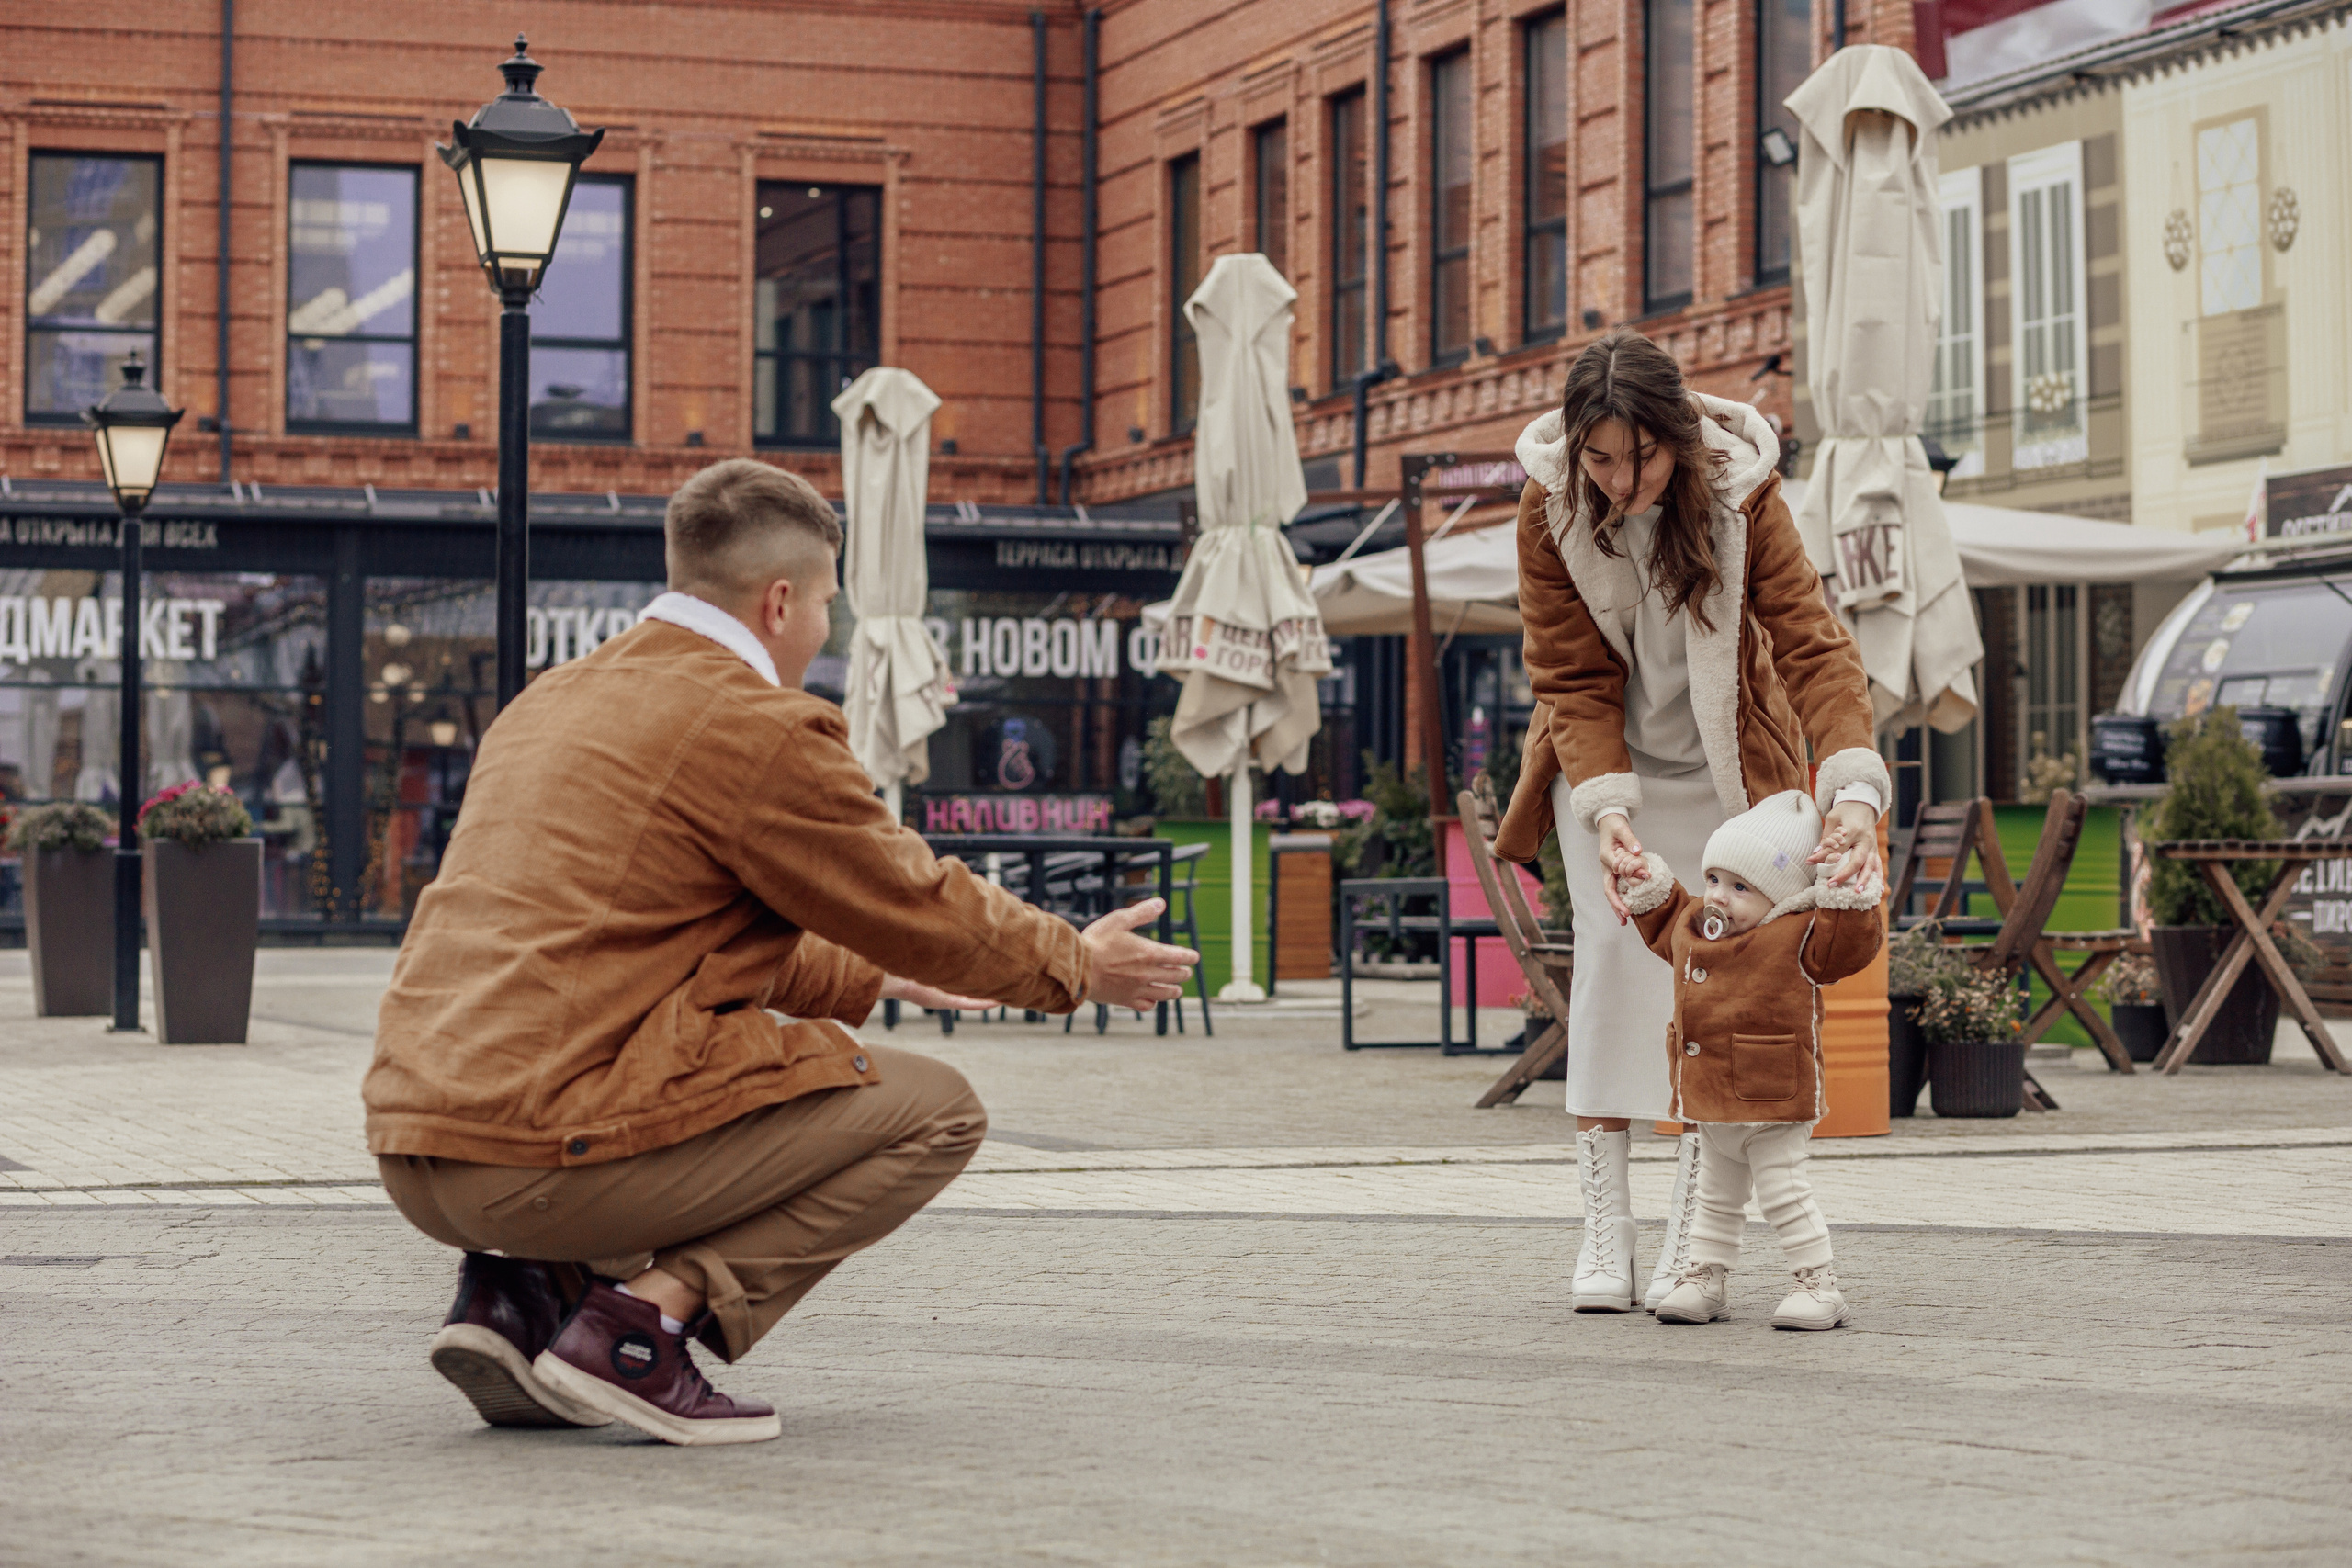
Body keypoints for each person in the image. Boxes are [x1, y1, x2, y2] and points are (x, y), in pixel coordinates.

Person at [365, 457, 1199, 1446]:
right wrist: (1074, 963)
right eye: (827, 607)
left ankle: (518, 1300)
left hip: (420, 1145)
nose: (824, 630)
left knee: (728, 1080)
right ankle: (636, 1330)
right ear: (778, 600)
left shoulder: (551, 702)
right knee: (933, 1112)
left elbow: (638, 933)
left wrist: (869, 974)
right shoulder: (750, 721)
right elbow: (908, 893)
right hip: (533, 1156)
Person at [1490, 329, 1888, 1314]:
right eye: (1599, 456)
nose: (1619, 478)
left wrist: (1852, 788)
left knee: (1700, 998)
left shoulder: (1744, 497)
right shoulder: (1546, 510)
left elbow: (1812, 646)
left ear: (1676, 437)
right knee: (1611, 981)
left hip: (1722, 780)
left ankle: (1685, 1241)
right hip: (1606, 780)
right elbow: (1568, 679)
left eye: (1640, 455)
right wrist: (1607, 814)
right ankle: (1600, 1233)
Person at [1611, 790, 1883, 1329]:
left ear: (1779, 898)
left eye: (1741, 888)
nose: (1719, 897)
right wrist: (1646, 882)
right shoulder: (1696, 930)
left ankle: (1817, 1281)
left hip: (1773, 1095)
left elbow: (1848, 945)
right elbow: (1667, 922)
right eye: (1714, 880)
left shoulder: (1800, 936)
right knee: (1714, 1195)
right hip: (1712, 1098)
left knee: (1784, 1192)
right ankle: (1705, 1275)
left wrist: (1845, 892)